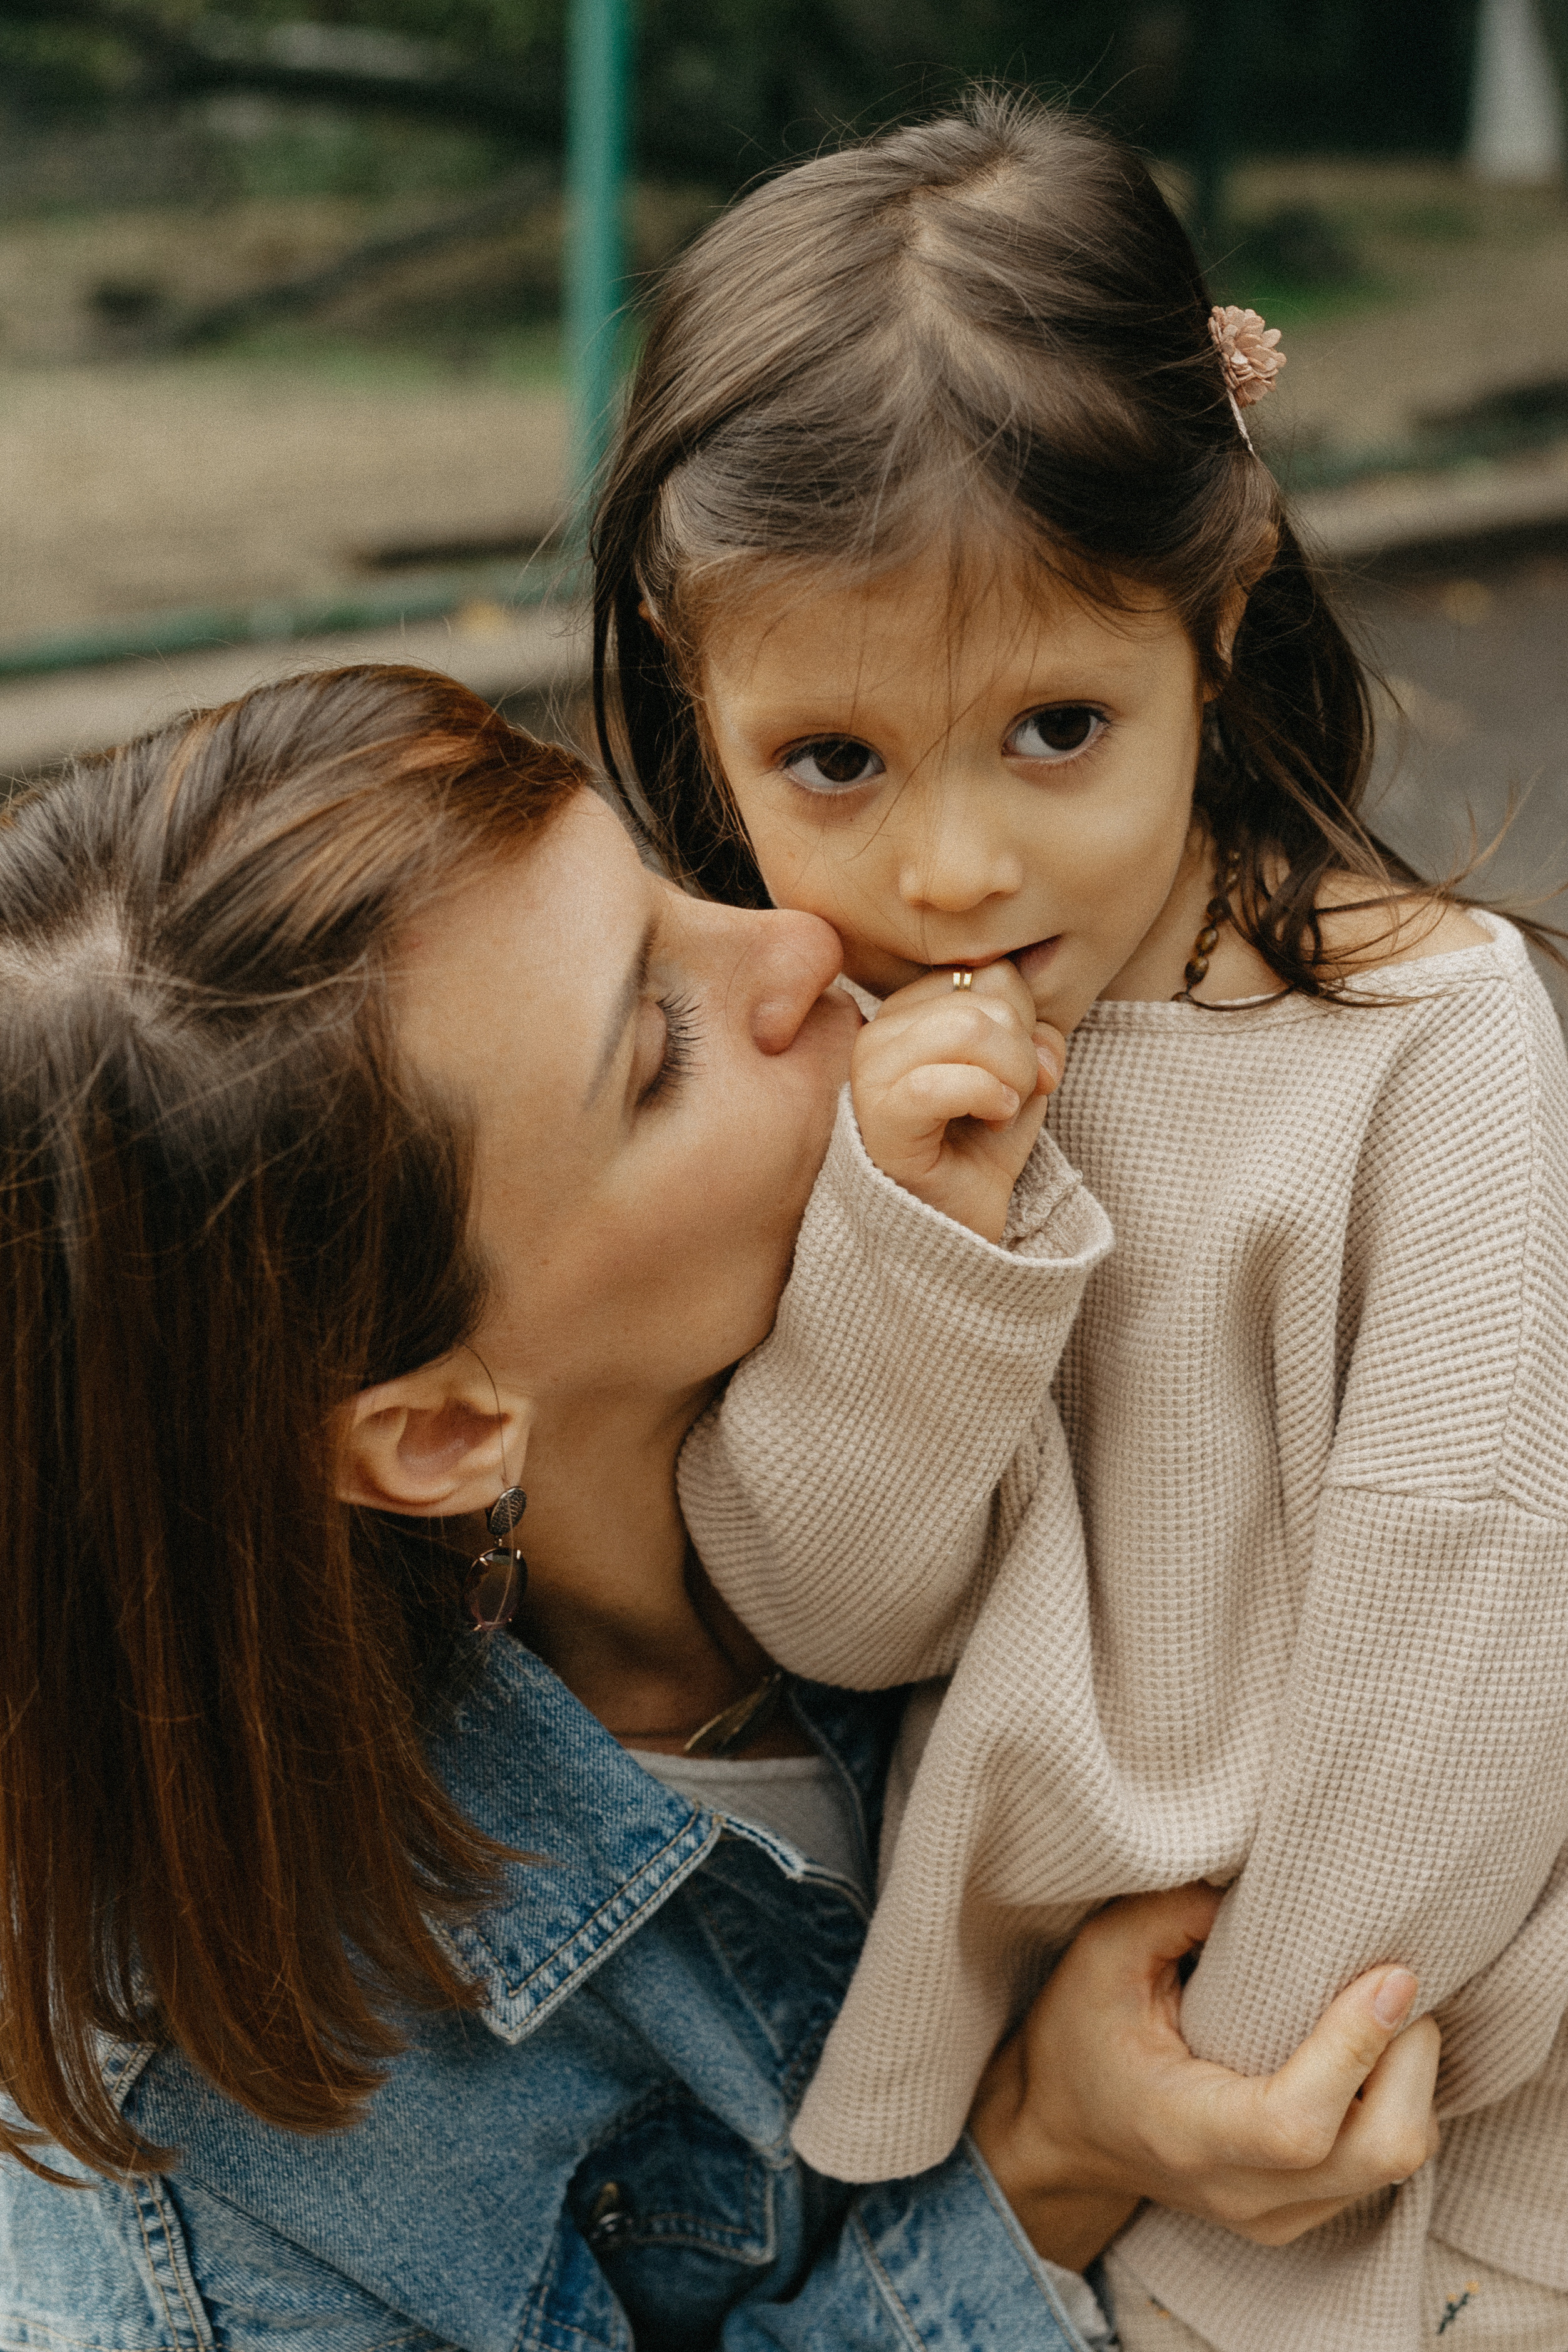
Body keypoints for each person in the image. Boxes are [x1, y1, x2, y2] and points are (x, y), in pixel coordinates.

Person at [0, 666, 1439, 2352]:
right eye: (657, 1052)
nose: (803, 943)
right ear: (443, 1429)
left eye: (666, 879)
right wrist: (1048, 2165)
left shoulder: (992, 1247)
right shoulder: (233, 2165)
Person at [589, 91, 1568, 2352]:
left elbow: (1465, 1647)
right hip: (1061, 2165)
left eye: (1054, 726)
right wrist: (915, 1237)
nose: (950, 873)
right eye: (834, 763)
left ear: (1216, 615)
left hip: (1416, 2153)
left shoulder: (1420, 1040)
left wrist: (1229, 2132)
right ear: (685, 680)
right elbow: (831, 1609)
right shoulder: (819, 1056)